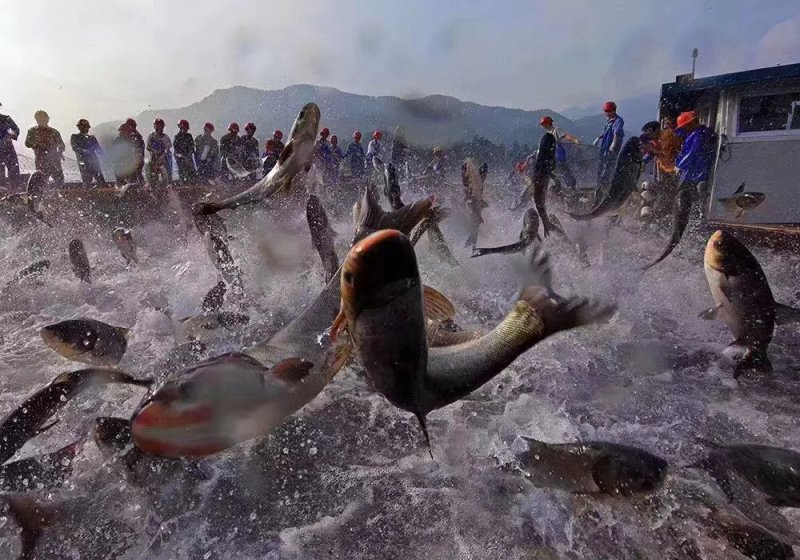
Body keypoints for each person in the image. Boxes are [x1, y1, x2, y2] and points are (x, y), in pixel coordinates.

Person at [641, 118, 683, 221]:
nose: (647, 136)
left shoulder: (666, 136)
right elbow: (652, 153)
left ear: (652, 130)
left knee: (666, 196)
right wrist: (642, 162)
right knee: (663, 193)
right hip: (665, 171)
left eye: (647, 133)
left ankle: (657, 219)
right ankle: (659, 218)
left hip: (675, 171)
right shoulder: (656, 139)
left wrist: (654, 149)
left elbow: (666, 154)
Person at [674, 111, 715, 217]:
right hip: (692, 173)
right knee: (687, 199)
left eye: (684, 126)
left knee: (699, 197)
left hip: (699, 173)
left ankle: (701, 219)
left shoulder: (699, 134)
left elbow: (693, 152)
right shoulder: (692, 134)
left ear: (691, 124)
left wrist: (680, 165)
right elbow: (684, 152)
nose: (683, 129)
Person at [24, 110, 65, 187]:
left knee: (59, 182)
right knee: (41, 183)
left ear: (47, 119)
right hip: (41, 160)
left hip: (54, 160)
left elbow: (61, 145)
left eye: (43, 118)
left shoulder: (54, 132)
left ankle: (59, 196)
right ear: (36, 120)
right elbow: (27, 143)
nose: (41, 120)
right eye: (39, 119)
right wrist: (37, 145)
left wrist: (59, 152)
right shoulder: (32, 131)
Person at [539, 115, 579, 189]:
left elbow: (565, 135)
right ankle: (558, 185)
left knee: (564, 170)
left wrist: (574, 140)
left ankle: (572, 186)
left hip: (559, 155)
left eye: (543, 124)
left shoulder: (556, 130)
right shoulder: (548, 133)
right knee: (551, 172)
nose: (542, 126)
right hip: (552, 158)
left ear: (548, 123)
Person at [593, 101, 624, 192]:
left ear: (613, 110)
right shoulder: (608, 121)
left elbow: (616, 134)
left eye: (608, 111)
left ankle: (606, 189)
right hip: (604, 148)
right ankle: (600, 187)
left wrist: (613, 145)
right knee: (601, 167)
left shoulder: (618, 120)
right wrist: (598, 138)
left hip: (612, 149)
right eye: (605, 111)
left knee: (608, 169)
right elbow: (606, 132)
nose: (607, 113)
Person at [70, 119, 106, 188]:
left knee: (101, 181)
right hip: (84, 162)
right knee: (86, 181)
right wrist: (83, 151)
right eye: (83, 127)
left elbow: (98, 149)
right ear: (79, 128)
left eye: (86, 127)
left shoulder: (92, 138)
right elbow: (75, 148)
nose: (85, 128)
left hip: (94, 162)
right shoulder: (75, 137)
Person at [146, 118, 172, 187]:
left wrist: (162, 155)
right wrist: (154, 152)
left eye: (161, 127)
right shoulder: (151, 136)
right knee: (148, 165)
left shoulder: (165, 137)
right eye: (158, 127)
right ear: (155, 127)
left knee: (167, 164)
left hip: (163, 157)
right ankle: (150, 183)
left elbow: (168, 147)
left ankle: (169, 182)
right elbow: (148, 147)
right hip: (153, 157)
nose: (160, 128)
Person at [0, 102, 20, 188]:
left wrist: (11, 135)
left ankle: (14, 191)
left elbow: (16, 130)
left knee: (14, 170)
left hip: (8, 148)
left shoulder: (6, 118)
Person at [173, 119, 197, 185]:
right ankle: (183, 183)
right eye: (185, 128)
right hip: (180, 159)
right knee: (182, 172)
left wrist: (188, 155)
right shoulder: (177, 137)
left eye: (186, 129)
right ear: (181, 128)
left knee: (192, 173)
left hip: (188, 157)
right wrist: (183, 157)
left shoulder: (189, 136)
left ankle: (192, 182)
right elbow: (176, 151)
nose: (186, 130)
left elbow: (192, 147)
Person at [126, 118, 146, 184]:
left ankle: (138, 186)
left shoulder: (135, 136)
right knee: (136, 174)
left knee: (135, 174)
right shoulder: (134, 135)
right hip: (135, 159)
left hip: (136, 159)